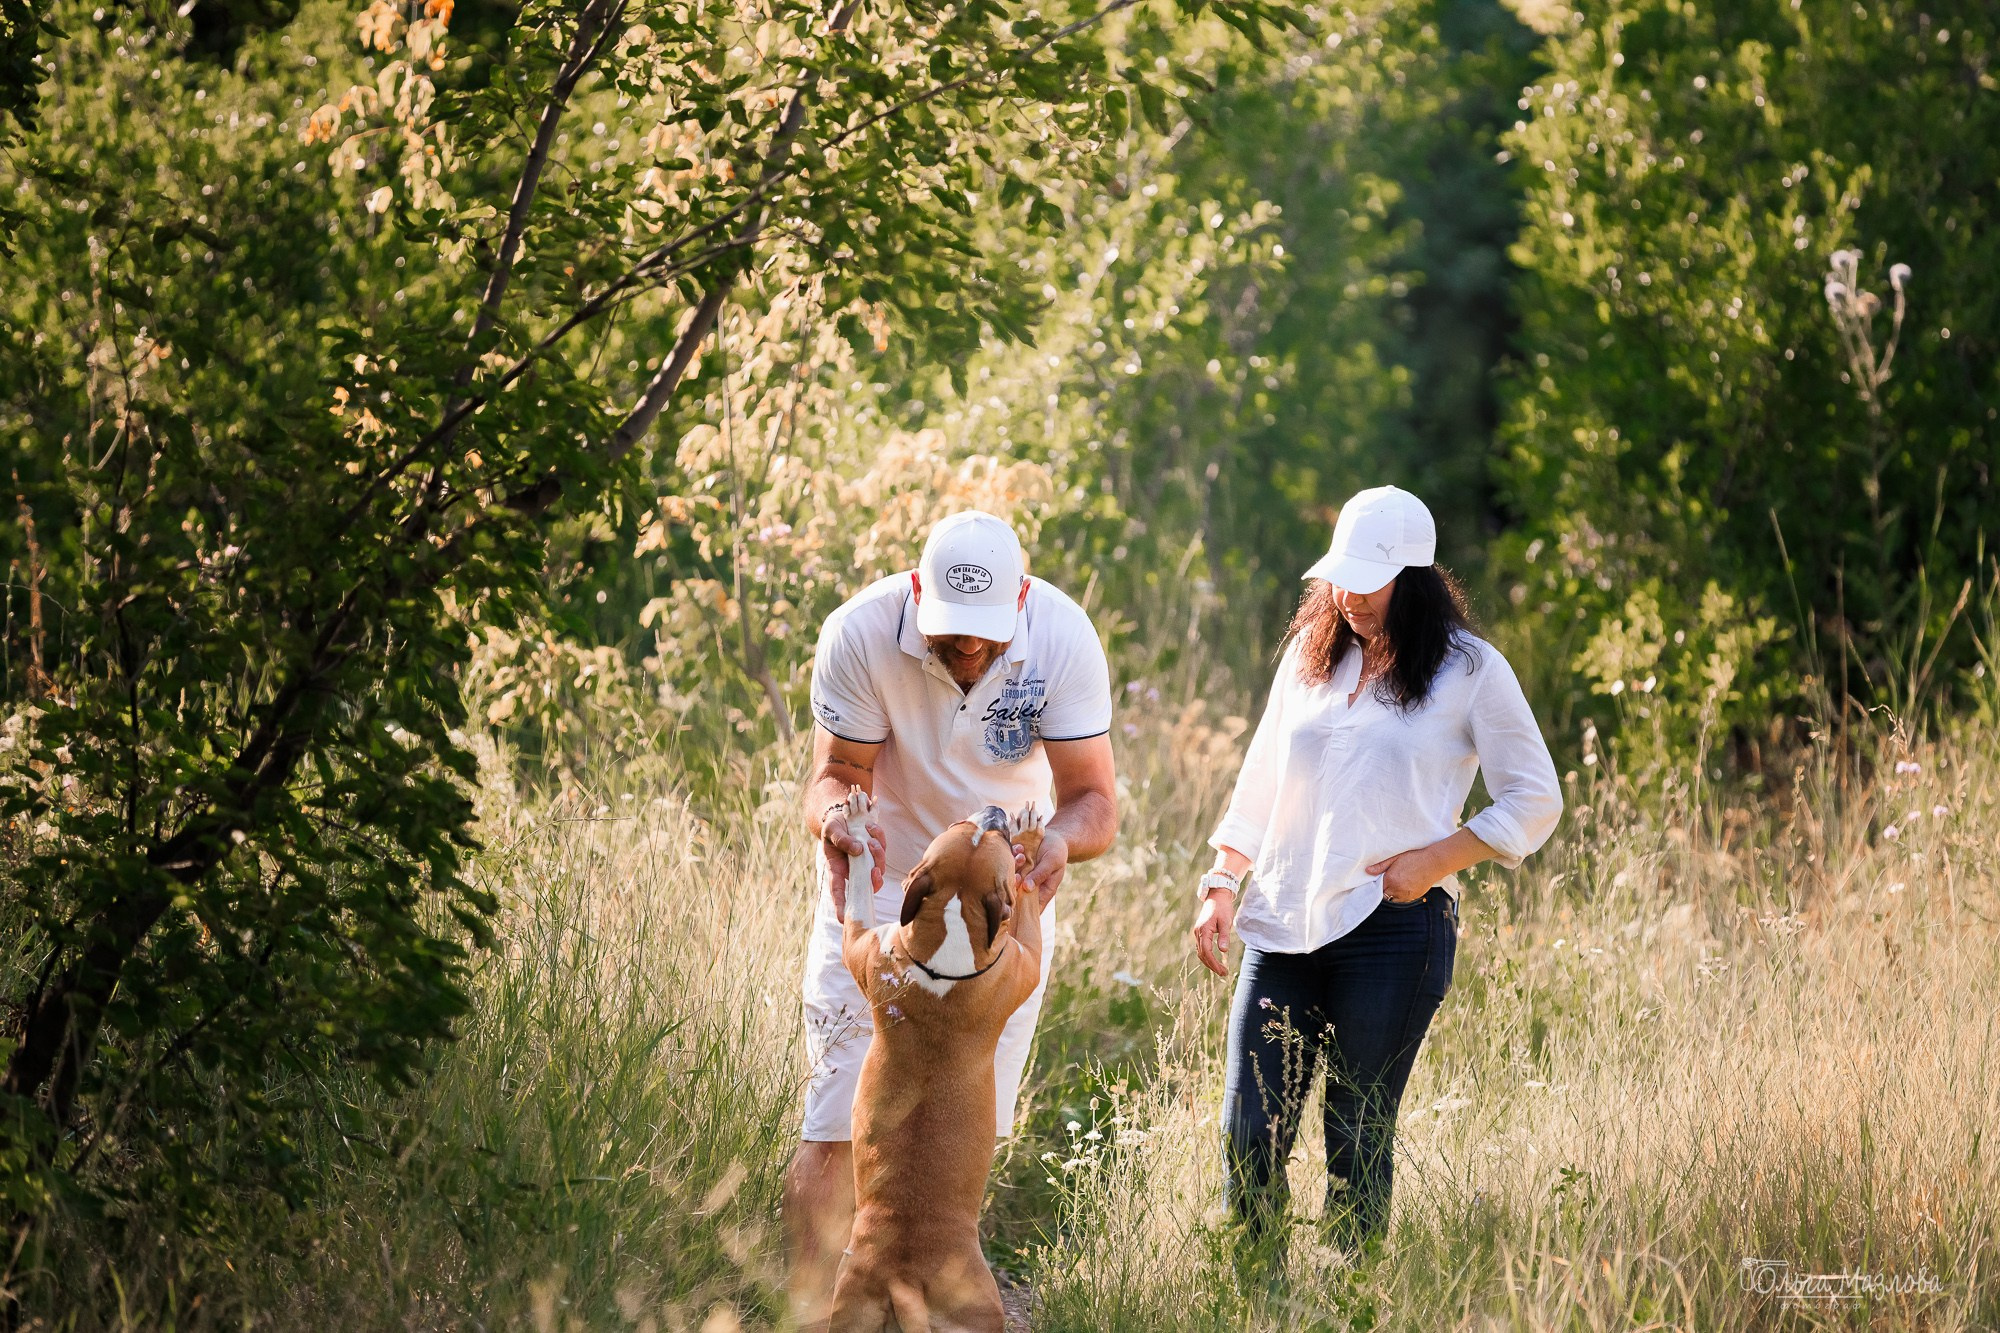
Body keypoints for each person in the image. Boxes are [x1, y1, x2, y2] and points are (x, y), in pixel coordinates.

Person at [1188, 484, 1561, 1259]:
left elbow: (1535, 798)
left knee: (1355, 1129)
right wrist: (1223, 882)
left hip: (1396, 927)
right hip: (1285, 914)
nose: (1349, 595)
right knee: (1249, 1128)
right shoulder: (1310, 655)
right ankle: (1255, 1289)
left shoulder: (1470, 670)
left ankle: (1347, 1296)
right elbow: (1261, 777)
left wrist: (1436, 859)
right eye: (1341, 577)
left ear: (1414, 578)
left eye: (1370, 578)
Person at [784, 510, 1120, 1323]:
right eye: (948, 633)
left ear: (1022, 600)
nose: (967, 651)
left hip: (1000, 914)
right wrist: (836, 821)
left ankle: (916, 1311)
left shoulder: (1064, 638)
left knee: (948, 1146)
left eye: (984, 636)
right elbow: (833, 774)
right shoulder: (860, 633)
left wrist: (1059, 849)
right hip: (883, 900)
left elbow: (1094, 803)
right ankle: (807, 1310)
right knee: (832, 1140)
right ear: (914, 594)